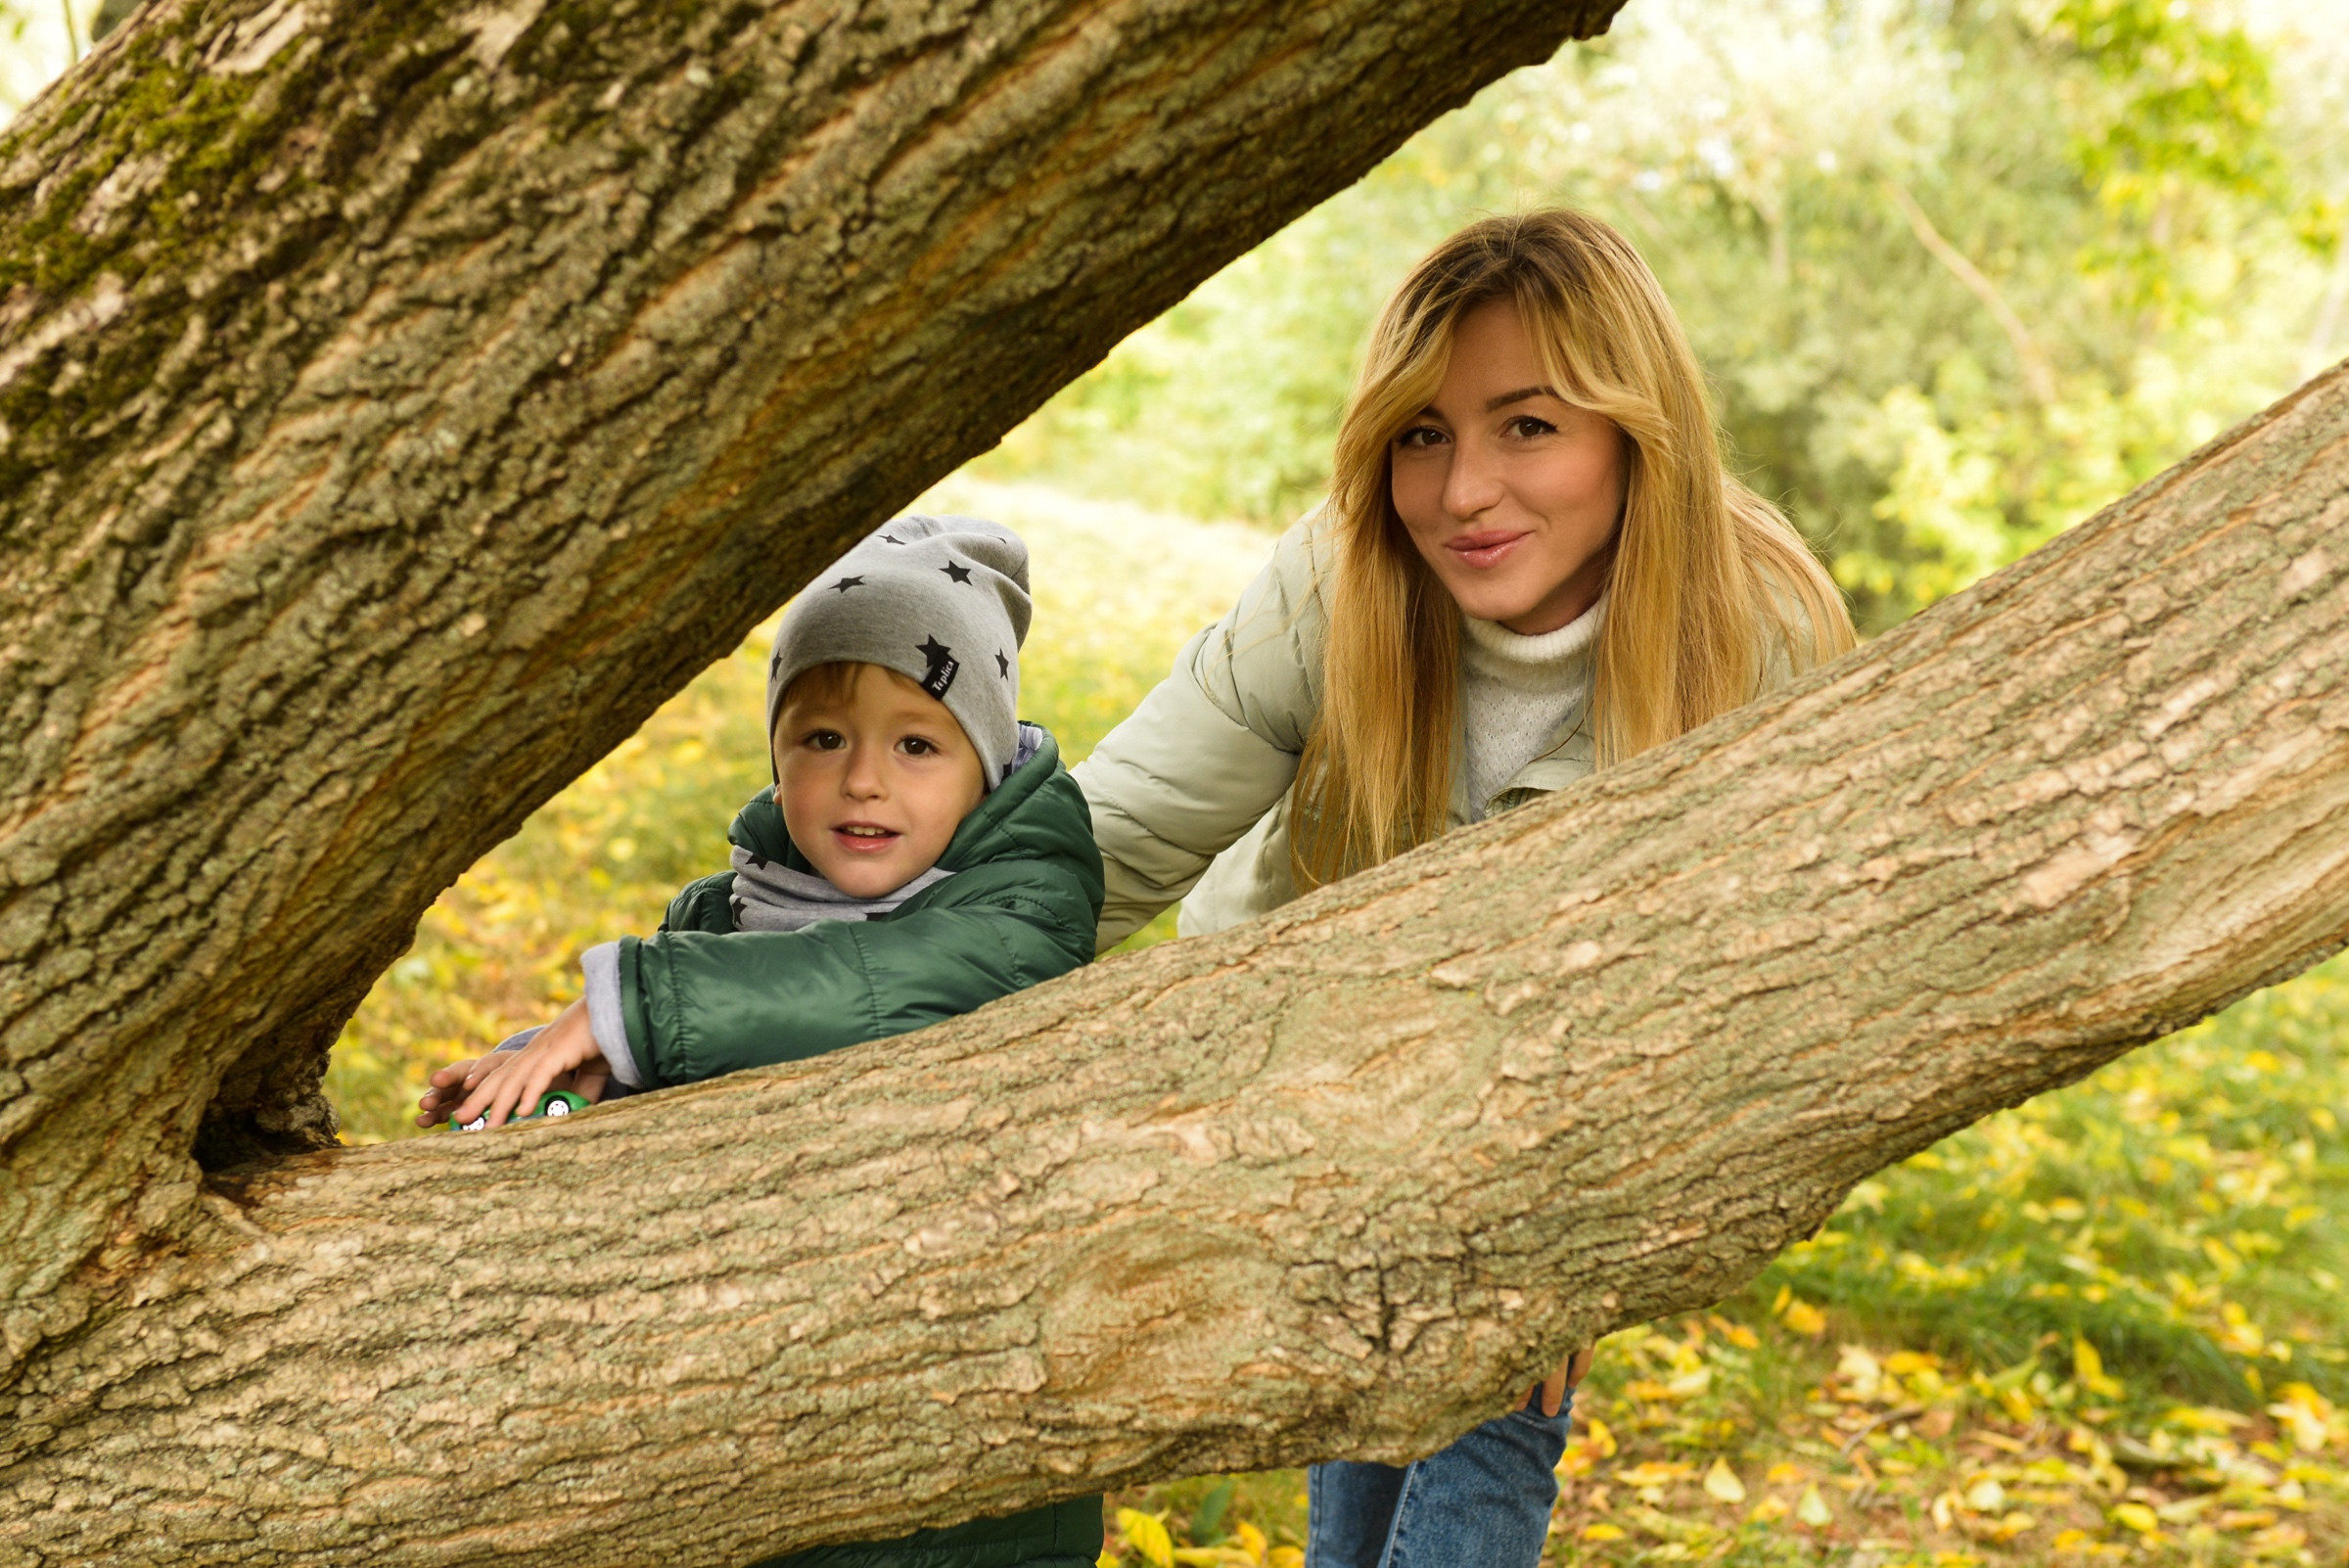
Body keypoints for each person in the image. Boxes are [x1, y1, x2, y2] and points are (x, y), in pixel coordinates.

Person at [1071, 210, 1857, 1568]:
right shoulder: (1340, 575)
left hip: (1560, 1121)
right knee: (1378, 1441)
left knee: (1485, 1395)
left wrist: (1583, 1238)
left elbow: (1771, 1001)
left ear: (1635, 431)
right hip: (1302, 1065)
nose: (1461, 492)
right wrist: (781, 988)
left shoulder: (1759, 635)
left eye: (1528, 427)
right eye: (1422, 434)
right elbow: (1106, 838)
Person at [419, 517, 1107, 1568]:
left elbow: (865, 985)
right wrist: (540, 1082)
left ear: (985, 764)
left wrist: (629, 1009)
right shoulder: (729, 916)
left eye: (916, 744)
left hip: (962, 1464)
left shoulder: (1019, 912)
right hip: (771, 1413)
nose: (863, 780)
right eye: (823, 738)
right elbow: (664, 1077)